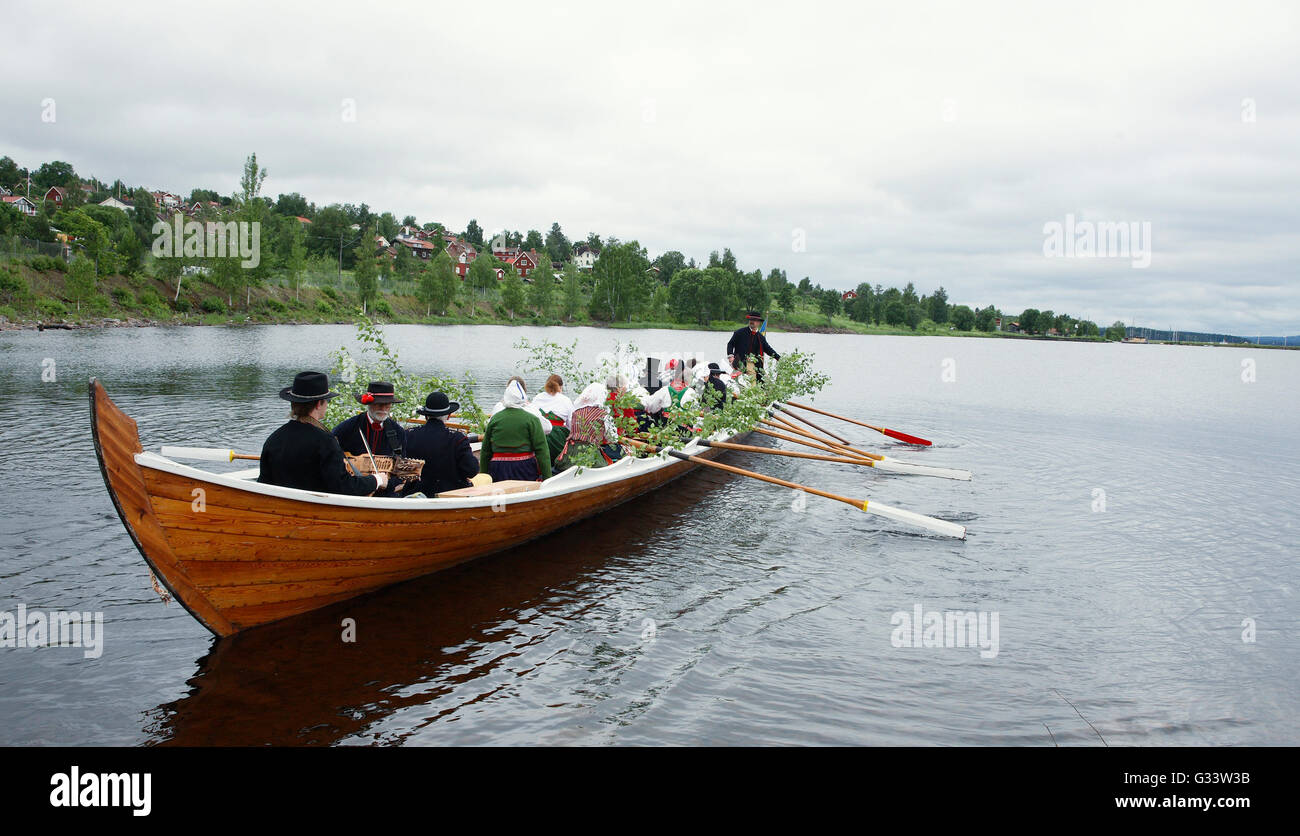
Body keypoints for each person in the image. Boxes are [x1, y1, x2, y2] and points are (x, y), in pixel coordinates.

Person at [258, 371, 388, 495]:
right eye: (326, 401)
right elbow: (343, 486)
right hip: (316, 511)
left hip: (280, 511)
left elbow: (264, 483)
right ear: (319, 404)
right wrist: (377, 480)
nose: (327, 405)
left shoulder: (274, 438)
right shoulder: (325, 441)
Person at [332, 381, 408, 496]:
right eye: (379, 404)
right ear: (369, 403)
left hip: (384, 495)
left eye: (387, 404)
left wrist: (388, 483)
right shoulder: (347, 428)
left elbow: (401, 472)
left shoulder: (398, 432)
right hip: (353, 492)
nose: (383, 408)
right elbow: (332, 461)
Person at [404, 391, 479, 496]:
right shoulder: (458, 438)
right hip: (450, 497)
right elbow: (471, 471)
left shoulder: (408, 435)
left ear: (426, 416)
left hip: (414, 496)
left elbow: (401, 469)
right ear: (448, 416)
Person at [480, 380, 552, 482]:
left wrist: (483, 475)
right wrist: (547, 478)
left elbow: (485, 451)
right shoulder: (532, 419)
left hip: (498, 468)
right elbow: (542, 451)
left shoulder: (495, 419)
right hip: (524, 468)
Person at [556, 382, 621, 471]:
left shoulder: (576, 412)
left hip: (569, 452)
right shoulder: (604, 415)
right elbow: (612, 438)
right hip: (589, 453)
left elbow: (572, 430)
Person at [531, 374, 573, 466]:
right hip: (558, 437)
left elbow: (531, 416)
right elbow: (571, 425)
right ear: (560, 387)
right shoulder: (565, 400)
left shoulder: (537, 398)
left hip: (539, 435)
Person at [726, 311, 780, 381]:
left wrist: (779, 358)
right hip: (740, 364)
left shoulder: (761, 337)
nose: (752, 321)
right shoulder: (740, 333)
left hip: (756, 366)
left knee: (764, 384)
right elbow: (730, 344)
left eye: (754, 320)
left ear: (758, 323)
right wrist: (731, 357)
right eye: (751, 319)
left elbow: (768, 349)